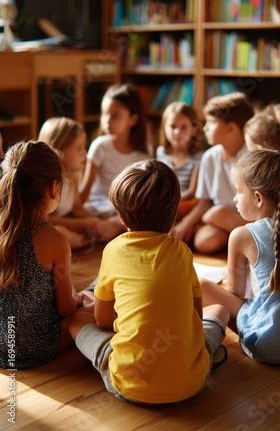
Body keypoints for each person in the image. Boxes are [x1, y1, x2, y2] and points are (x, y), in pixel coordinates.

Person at [68, 159, 230, 405]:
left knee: (77, 320)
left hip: (127, 385)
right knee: (219, 310)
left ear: (122, 218)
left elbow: (102, 321)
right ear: (174, 212)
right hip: (193, 384)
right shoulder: (183, 251)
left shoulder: (113, 250)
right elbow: (195, 317)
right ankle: (204, 359)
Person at [0, 140, 86, 369]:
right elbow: (65, 309)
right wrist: (78, 299)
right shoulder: (53, 239)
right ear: (53, 188)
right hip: (35, 348)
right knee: (91, 312)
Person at [201, 149, 280, 364]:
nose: (235, 198)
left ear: (257, 198)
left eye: (238, 191)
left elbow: (235, 294)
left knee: (200, 285)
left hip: (265, 345)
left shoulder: (241, 235)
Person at [170, 92, 254, 254]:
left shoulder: (251, 156)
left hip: (247, 217)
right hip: (219, 217)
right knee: (205, 242)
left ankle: (245, 237)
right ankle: (237, 237)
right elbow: (204, 201)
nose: (205, 128)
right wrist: (187, 223)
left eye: (212, 122)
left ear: (231, 128)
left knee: (217, 213)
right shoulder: (210, 157)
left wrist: (213, 217)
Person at [38, 117, 117, 249]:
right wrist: (86, 224)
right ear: (58, 151)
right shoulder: (47, 182)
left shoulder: (72, 176)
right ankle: (85, 240)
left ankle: (86, 239)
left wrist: (96, 222)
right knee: (59, 233)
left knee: (102, 225)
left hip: (64, 223)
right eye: (79, 149)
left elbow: (77, 209)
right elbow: (45, 219)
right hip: (46, 227)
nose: (85, 154)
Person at [79, 83, 149, 224]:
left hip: (124, 211)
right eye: (104, 113)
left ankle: (109, 228)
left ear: (133, 119)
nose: (107, 121)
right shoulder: (100, 146)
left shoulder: (143, 153)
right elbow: (85, 188)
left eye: (115, 116)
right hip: (97, 207)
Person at [156, 101, 204, 220]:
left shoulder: (199, 157)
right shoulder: (161, 152)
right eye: (172, 126)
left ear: (194, 129)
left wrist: (166, 201)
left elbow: (192, 192)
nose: (177, 132)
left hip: (184, 203)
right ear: (164, 128)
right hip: (162, 203)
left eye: (184, 127)